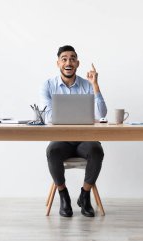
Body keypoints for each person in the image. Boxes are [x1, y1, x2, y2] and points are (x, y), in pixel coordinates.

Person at [40, 45, 107, 217]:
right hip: (61, 140)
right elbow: (48, 117)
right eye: (64, 59)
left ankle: (85, 195)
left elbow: (101, 114)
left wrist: (95, 85)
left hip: (84, 139)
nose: (68, 62)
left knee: (96, 150)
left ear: (77, 63)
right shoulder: (48, 85)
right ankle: (63, 195)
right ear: (58, 63)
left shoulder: (87, 85)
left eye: (72, 59)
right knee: (52, 151)